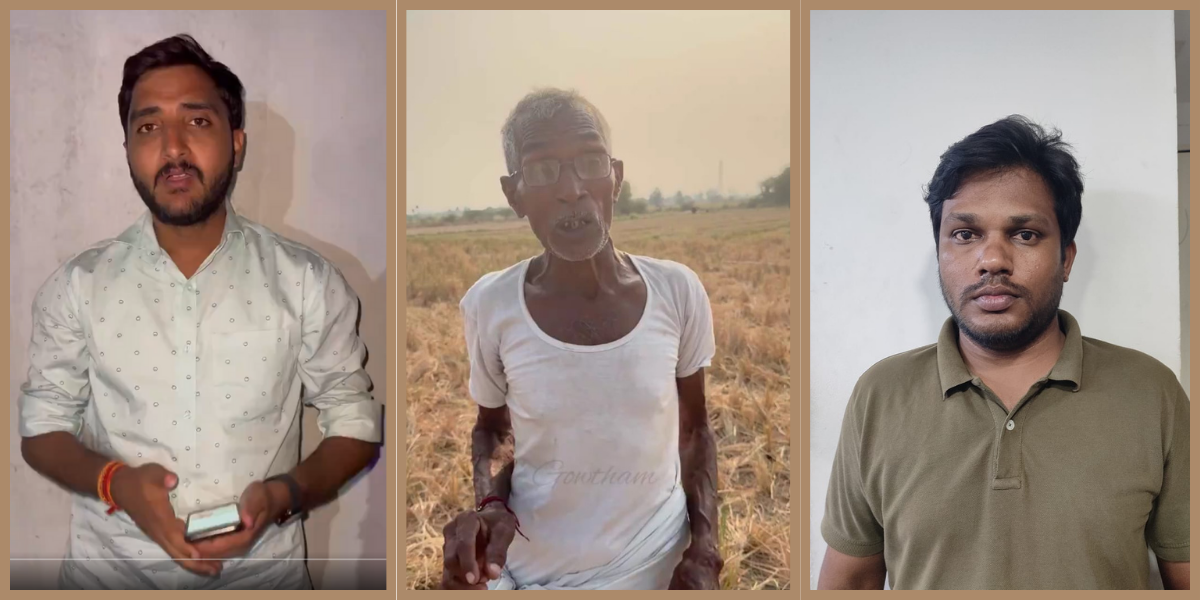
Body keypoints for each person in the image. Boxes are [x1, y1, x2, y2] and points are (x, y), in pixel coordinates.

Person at [17, 34, 382, 590]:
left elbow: (355, 424)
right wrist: (117, 483)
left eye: (197, 121)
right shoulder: (77, 287)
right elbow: (42, 428)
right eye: (148, 127)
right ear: (127, 149)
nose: (172, 148)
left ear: (236, 142)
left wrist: (284, 495)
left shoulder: (307, 282)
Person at [817, 115, 1190, 590]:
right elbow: (848, 582)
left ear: (1067, 258)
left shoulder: (1149, 392)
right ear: (940, 252)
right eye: (965, 234)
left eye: (1025, 234)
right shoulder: (880, 395)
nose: (992, 260)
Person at [438, 88, 724, 590]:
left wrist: (704, 550)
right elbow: (492, 430)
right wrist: (489, 506)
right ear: (515, 194)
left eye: (590, 161)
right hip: (528, 571)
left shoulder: (676, 290)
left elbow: (695, 431)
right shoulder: (492, 305)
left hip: (654, 564)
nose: (573, 189)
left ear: (615, 177)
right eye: (545, 169)